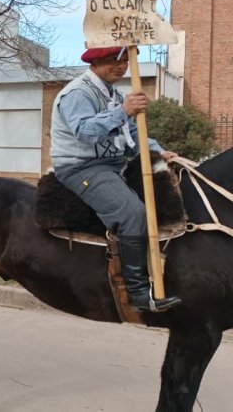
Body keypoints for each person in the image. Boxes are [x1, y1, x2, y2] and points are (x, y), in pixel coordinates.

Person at [50, 46, 181, 312]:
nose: (120, 66)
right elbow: (85, 132)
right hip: (82, 168)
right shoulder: (78, 93)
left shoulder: (115, 94)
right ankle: (138, 293)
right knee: (133, 213)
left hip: (114, 165)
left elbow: (135, 136)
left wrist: (158, 151)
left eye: (123, 60)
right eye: (112, 60)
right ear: (95, 61)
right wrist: (123, 110)